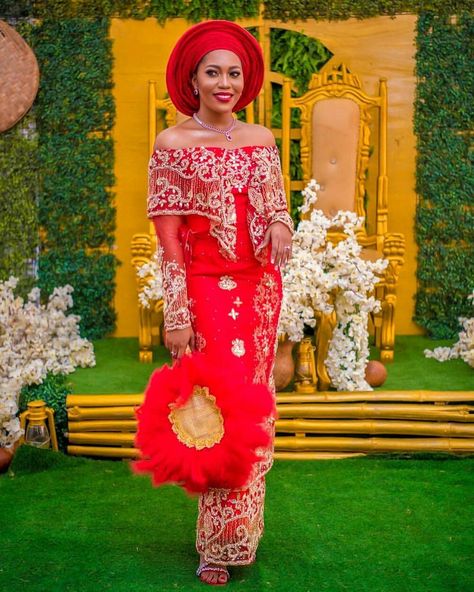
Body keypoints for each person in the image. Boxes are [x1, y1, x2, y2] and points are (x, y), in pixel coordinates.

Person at [147, 20, 294, 585]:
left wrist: (280, 222)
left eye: (233, 72)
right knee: (217, 414)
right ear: (194, 79)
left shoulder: (260, 140)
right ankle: (216, 542)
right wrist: (178, 314)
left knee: (255, 409)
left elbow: (276, 202)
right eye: (214, 72)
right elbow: (170, 241)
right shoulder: (173, 145)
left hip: (259, 291)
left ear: (244, 80)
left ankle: (244, 534)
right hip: (206, 293)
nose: (225, 82)